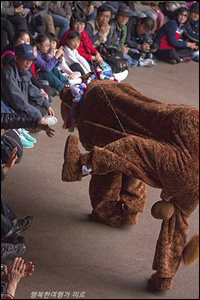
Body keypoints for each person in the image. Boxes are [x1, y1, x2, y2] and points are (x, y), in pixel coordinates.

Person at [60, 79, 199, 292]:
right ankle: (164, 276)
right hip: (192, 178)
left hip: (183, 160)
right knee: (177, 218)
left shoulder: (99, 99)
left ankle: (79, 165)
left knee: (132, 149)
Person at [1, 44, 54, 123]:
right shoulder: (8, 74)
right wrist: (38, 116)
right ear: (16, 58)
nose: (29, 63)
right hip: (10, 110)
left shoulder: (24, 71)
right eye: (25, 59)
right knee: (37, 115)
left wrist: (46, 104)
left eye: (31, 60)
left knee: (44, 106)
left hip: (20, 104)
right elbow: (18, 101)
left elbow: (32, 90)